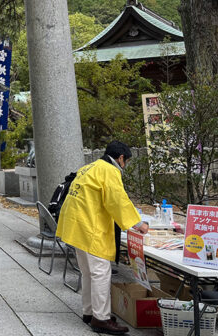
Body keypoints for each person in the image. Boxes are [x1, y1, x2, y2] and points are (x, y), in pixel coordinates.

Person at [56, 141, 149, 335]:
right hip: (90, 227)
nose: (126, 165)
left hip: (76, 225)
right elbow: (117, 200)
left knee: (89, 272)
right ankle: (101, 318)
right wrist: (137, 223)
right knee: (100, 272)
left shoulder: (90, 167)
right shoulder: (109, 170)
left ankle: (89, 312)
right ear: (121, 158)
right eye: (127, 161)